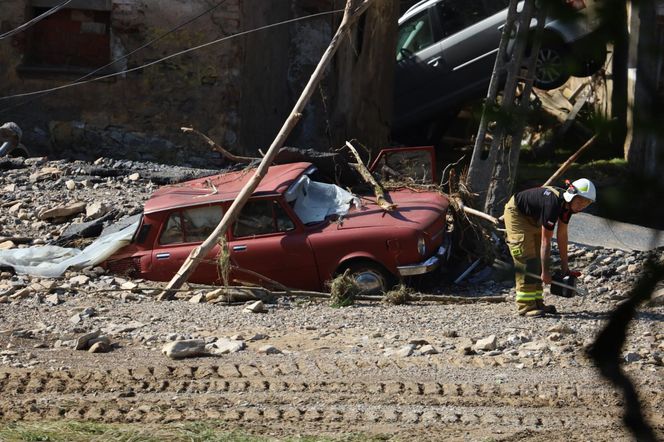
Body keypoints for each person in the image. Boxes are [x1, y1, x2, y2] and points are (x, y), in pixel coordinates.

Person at [503, 178, 596, 316]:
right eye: (580, 200)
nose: (582, 206)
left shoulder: (567, 207)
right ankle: (526, 306)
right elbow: (546, 241)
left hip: (534, 218)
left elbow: (562, 236)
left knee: (538, 263)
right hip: (518, 215)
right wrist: (546, 272)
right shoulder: (552, 204)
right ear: (572, 195)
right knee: (528, 261)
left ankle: (537, 302)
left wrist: (565, 268)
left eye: (586, 203)